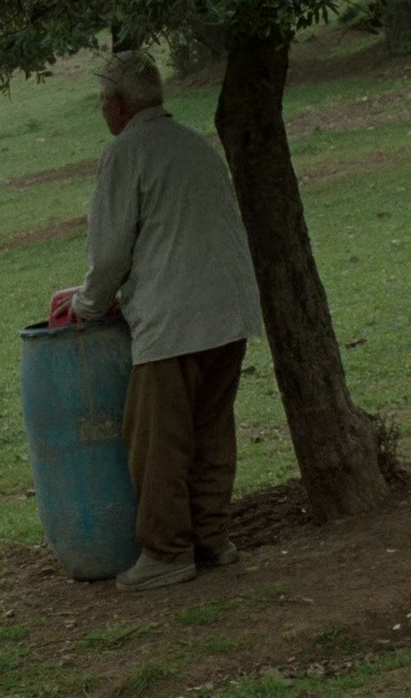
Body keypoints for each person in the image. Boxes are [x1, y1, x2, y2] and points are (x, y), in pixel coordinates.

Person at [52, 52, 263, 592]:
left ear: (117, 105)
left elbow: (109, 253)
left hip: (174, 322)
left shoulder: (127, 153)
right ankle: (212, 540)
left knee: (156, 441)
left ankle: (168, 553)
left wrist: (86, 305)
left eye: (103, 101)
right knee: (211, 431)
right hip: (229, 311)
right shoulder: (195, 145)